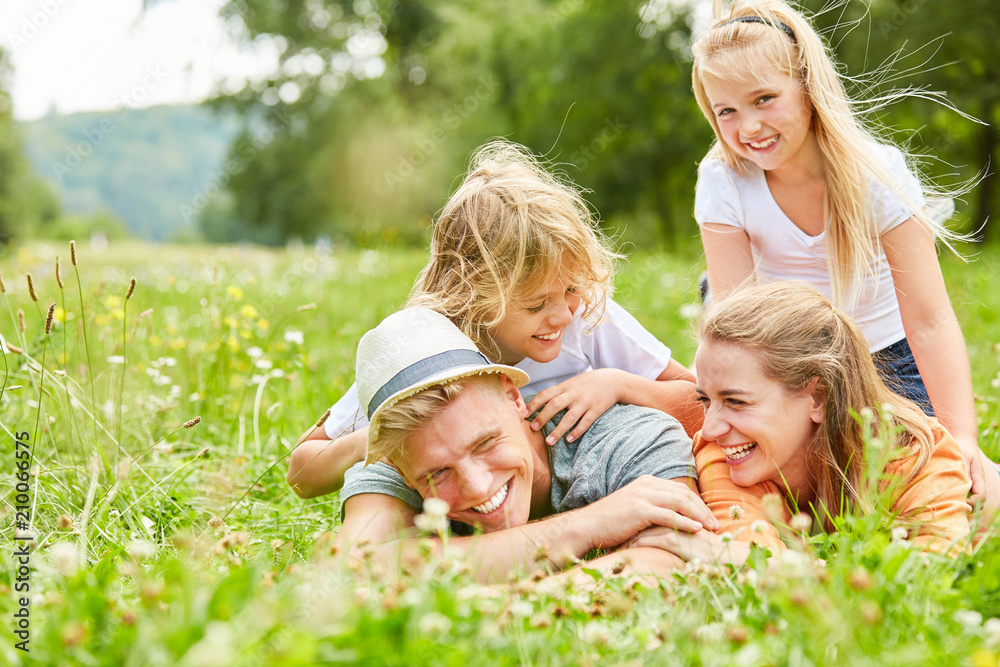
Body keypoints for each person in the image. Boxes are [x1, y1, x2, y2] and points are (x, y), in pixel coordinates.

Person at [690, 0, 999, 507]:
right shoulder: (724, 180)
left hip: (883, 360)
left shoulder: (875, 176)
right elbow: (737, 327)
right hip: (776, 359)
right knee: (761, 472)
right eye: (727, 111)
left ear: (808, 88)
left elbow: (928, 321)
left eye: (765, 99)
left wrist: (960, 436)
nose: (748, 127)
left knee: (919, 479)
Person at [289, 140, 702, 498]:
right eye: (536, 305)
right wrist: (390, 435)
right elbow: (302, 472)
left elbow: (703, 403)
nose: (561, 314)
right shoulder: (427, 348)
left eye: (571, 289)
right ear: (473, 295)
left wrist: (618, 384)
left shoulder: (589, 316)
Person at [333, 306, 717, 582]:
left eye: (484, 443)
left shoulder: (630, 438)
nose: (478, 486)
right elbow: (353, 571)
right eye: (438, 473)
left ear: (513, 397)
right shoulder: (401, 464)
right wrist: (590, 524)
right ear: (400, 471)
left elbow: (675, 560)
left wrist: (464, 594)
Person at [631, 282, 978, 566]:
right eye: (705, 400)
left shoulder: (917, 452)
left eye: (736, 401)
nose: (708, 429)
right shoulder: (726, 453)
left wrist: (769, 565)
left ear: (818, 397)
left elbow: (934, 574)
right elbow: (745, 560)